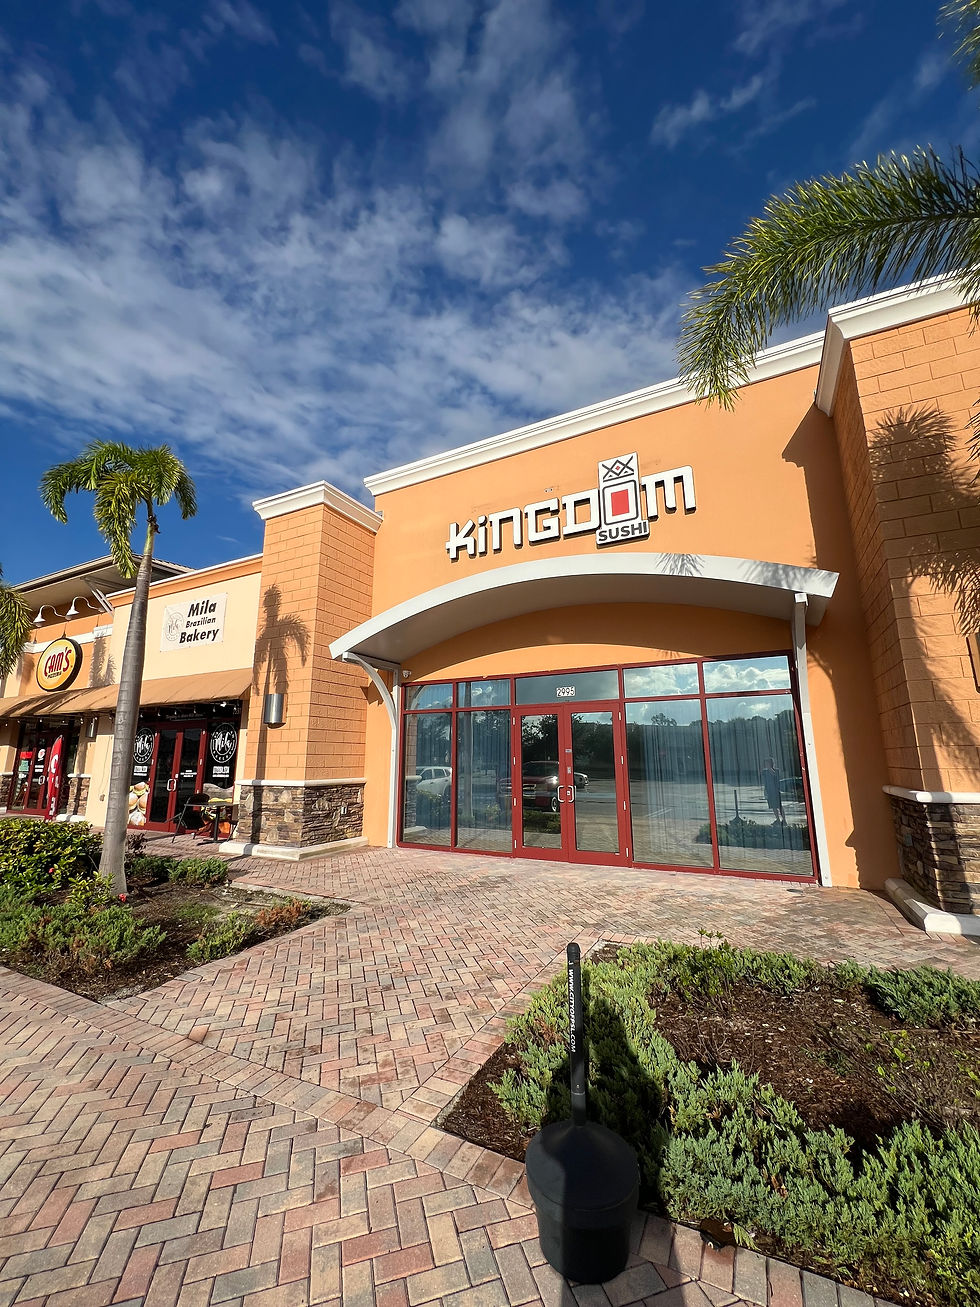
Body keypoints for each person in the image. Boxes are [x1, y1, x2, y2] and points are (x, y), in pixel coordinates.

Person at [761, 757, 785, 824]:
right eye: (765, 763)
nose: (766, 764)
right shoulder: (765, 772)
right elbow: (764, 779)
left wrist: (770, 768)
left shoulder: (776, 770)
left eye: (767, 763)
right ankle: (777, 819)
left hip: (776, 791)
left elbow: (775, 775)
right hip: (769, 792)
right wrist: (765, 791)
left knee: (779, 806)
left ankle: (784, 820)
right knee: (773, 807)